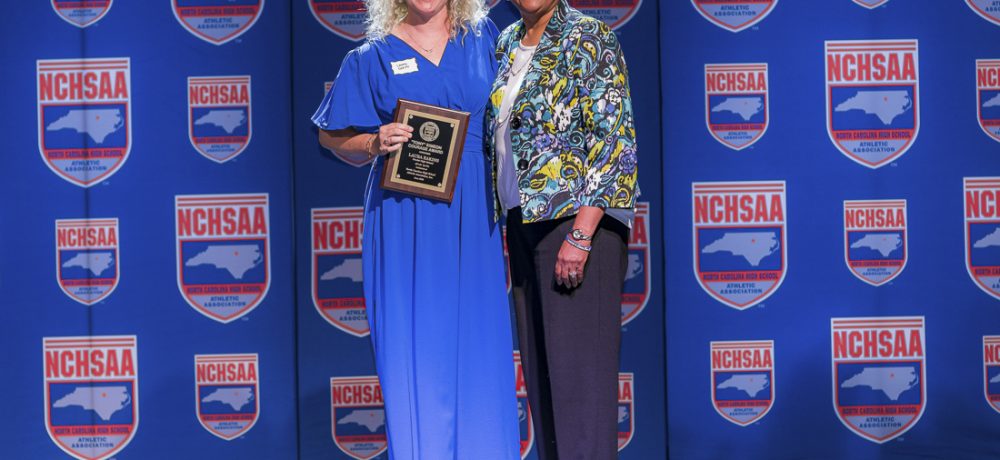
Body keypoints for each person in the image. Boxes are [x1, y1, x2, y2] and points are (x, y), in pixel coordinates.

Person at [311, 0, 520, 458]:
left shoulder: (485, 39)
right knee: (415, 351)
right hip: (403, 215)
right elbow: (330, 133)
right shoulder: (371, 56)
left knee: (479, 345)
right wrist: (373, 141)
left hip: (474, 211)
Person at [485, 0, 638, 458]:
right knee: (544, 387)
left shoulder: (590, 36)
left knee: (580, 395)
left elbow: (614, 143)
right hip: (522, 222)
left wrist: (582, 234)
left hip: (574, 225)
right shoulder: (506, 44)